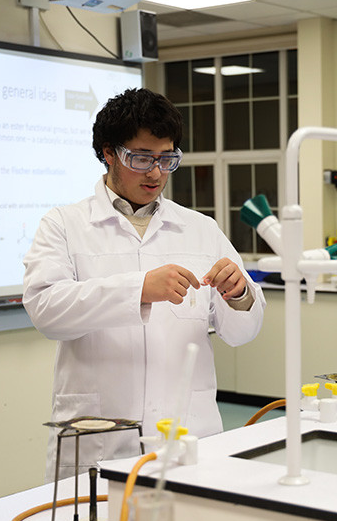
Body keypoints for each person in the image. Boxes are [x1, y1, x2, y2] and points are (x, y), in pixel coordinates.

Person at [23, 88, 266, 480]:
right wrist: (138, 289)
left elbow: (243, 332)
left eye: (167, 159)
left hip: (189, 437)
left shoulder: (202, 230)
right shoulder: (64, 225)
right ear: (108, 153)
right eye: (141, 158)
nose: (155, 173)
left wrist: (239, 294)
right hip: (101, 439)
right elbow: (47, 312)